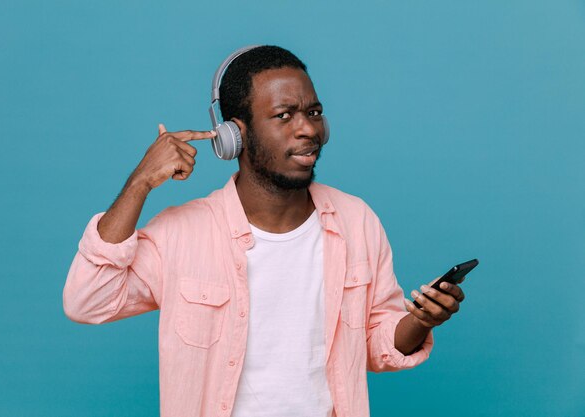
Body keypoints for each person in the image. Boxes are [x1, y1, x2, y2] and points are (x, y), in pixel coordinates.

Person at [63, 45, 465, 417]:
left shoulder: (356, 221)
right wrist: (140, 184)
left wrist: (422, 320)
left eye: (314, 112)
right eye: (284, 115)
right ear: (235, 135)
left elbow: (377, 346)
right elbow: (87, 300)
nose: (308, 129)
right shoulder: (182, 234)